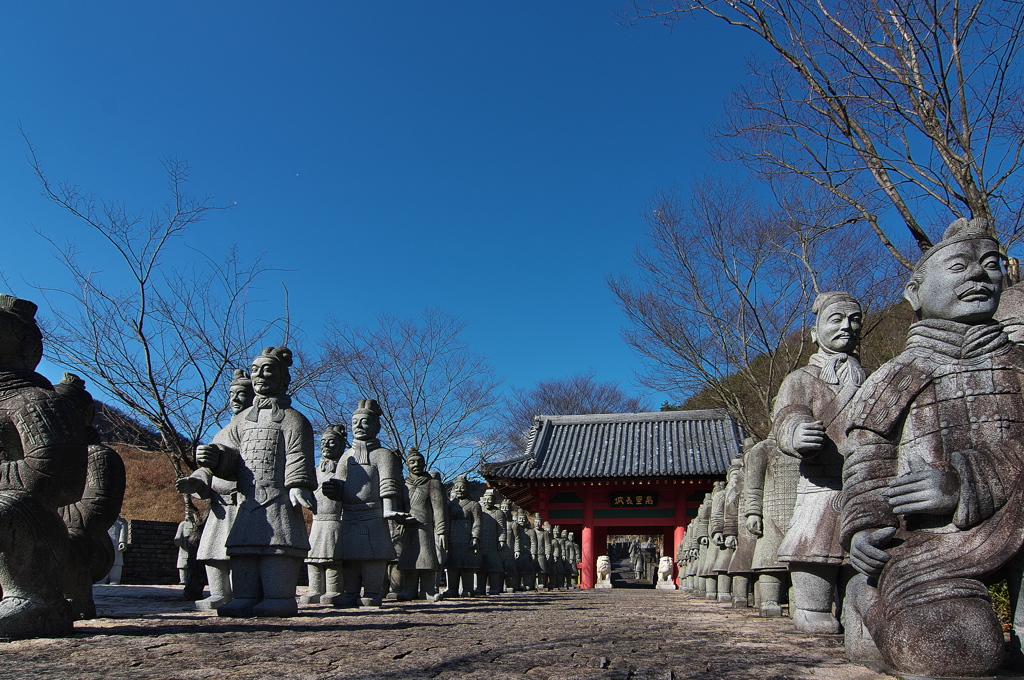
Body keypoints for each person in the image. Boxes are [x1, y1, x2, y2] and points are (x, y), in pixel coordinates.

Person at [841, 218, 1024, 677]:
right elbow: (868, 457)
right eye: (959, 265)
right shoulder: (896, 375)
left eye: (990, 265)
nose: (979, 276)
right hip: (933, 541)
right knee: (958, 647)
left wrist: (966, 483)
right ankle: (869, 599)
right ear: (914, 294)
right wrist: (864, 529)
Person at [196, 346, 316, 618]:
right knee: (243, 551)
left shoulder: (294, 420)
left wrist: (298, 485)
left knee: (278, 548)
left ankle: (279, 597)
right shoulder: (240, 421)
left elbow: (298, 454)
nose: (260, 375)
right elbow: (230, 455)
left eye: (268, 370)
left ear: (283, 379)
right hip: (247, 500)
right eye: (255, 370)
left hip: (278, 497)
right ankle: (245, 596)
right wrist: (214, 457)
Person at [773, 291, 864, 633]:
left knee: (862, 556)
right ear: (814, 333)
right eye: (836, 319)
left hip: (862, 479)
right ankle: (812, 609)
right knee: (815, 547)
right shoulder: (800, 379)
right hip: (820, 480)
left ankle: (861, 618)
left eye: (854, 320)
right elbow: (787, 415)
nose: (847, 326)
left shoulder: (870, 377)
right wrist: (795, 434)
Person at [0, 294, 88, 638]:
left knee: (8, 506)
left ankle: (38, 600)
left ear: (26, 343)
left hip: (31, 525)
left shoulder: (38, 402)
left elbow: (57, 476)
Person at [175, 368, 254, 610]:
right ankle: (219, 592)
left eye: (241, 393)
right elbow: (207, 469)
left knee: (241, 554)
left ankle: (242, 593)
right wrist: (197, 479)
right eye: (232, 394)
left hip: (243, 501)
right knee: (213, 552)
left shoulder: (256, 427)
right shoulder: (221, 431)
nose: (235, 399)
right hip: (220, 505)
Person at [322, 399, 410, 608]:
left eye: (365, 422)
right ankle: (350, 592)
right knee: (349, 557)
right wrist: (334, 489)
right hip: (349, 515)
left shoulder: (383, 455)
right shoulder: (346, 456)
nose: (358, 427)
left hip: (373, 515)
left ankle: (372, 592)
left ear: (376, 427)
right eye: (355, 423)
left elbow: (389, 483)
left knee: (373, 557)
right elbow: (341, 482)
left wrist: (389, 509)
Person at [54, 373, 126, 620]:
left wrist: (45, 517)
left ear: (84, 415)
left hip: (88, 542)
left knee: (68, 541)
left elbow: (96, 512)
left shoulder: (99, 457)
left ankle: (76, 599)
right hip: (44, 533)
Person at [301, 424, 347, 605]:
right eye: (323, 442)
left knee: (332, 558)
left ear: (342, 445)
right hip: (317, 520)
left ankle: (334, 590)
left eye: (331, 442)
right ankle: (315, 589)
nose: (326, 446)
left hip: (336, 521)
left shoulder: (346, 469)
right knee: (313, 558)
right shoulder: (314, 469)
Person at [396, 447, 447, 601]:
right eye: (412, 461)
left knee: (427, 558)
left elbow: (439, 509)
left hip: (425, 527)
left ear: (425, 464)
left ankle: (428, 590)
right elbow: (398, 505)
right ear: (407, 464)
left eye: (419, 461)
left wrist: (441, 530)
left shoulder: (432, 483)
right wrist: (400, 519)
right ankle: (408, 589)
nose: (416, 464)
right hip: (407, 527)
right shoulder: (402, 484)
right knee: (409, 559)